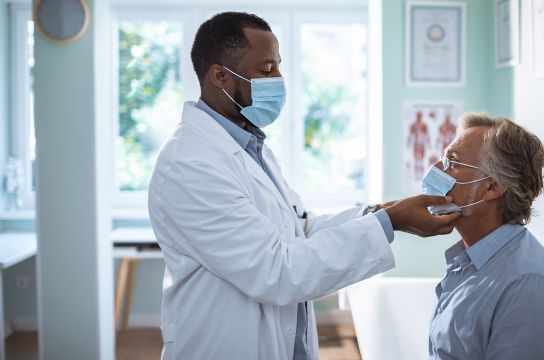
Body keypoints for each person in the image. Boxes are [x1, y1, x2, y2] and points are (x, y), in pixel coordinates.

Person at [148, 12, 460, 360]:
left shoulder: (249, 147)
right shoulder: (190, 163)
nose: (279, 80)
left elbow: (301, 228)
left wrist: (380, 212)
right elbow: (277, 270)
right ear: (220, 76)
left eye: (279, 67)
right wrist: (392, 222)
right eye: (266, 71)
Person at [423, 113, 544, 359]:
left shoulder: (529, 285)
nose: (437, 169)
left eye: (452, 161)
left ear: (493, 186)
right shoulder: (469, 263)